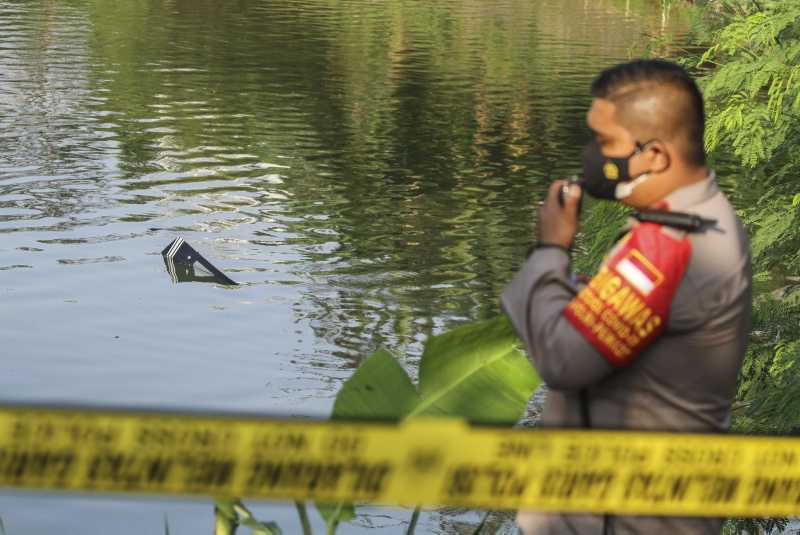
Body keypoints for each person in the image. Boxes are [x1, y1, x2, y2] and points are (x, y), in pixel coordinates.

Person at [500, 59, 752, 534]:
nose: (593, 155)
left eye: (605, 142)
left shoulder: (666, 250)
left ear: (654, 155)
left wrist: (550, 250)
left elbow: (562, 360)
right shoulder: (709, 216)